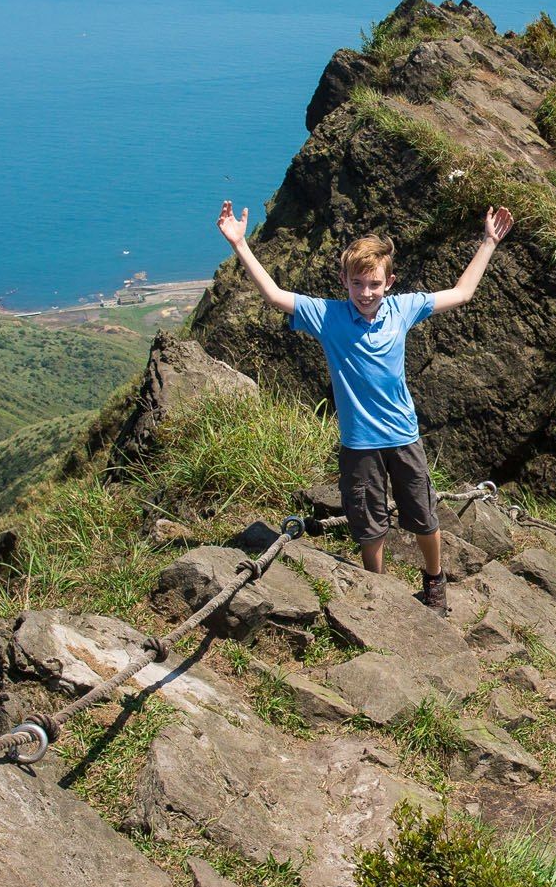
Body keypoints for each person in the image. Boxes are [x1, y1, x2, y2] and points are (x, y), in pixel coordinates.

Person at [217, 199, 514, 612]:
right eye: (358, 284)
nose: (366, 293)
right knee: (369, 525)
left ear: (389, 281)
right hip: (358, 444)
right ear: (344, 281)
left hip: (403, 436)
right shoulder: (328, 316)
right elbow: (274, 295)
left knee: (424, 517)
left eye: (374, 284)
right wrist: (239, 244)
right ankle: (380, 590)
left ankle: (435, 581)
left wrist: (488, 242)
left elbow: (463, 293)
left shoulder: (403, 308)